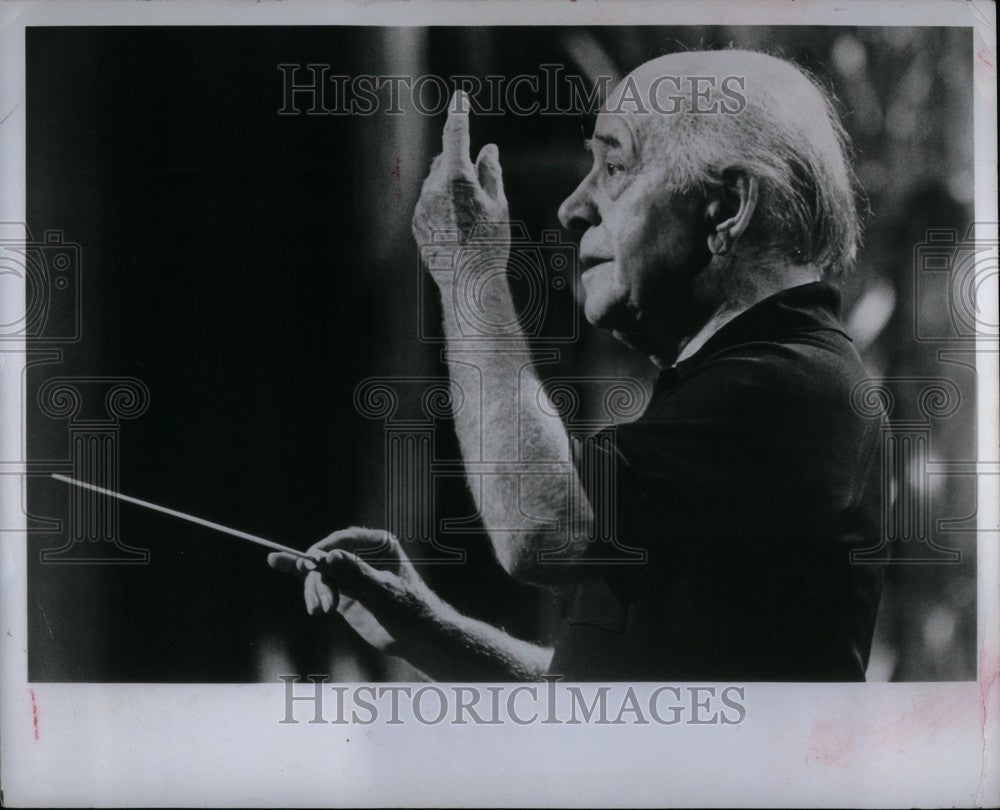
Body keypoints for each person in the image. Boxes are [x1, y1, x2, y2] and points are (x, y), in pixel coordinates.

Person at [269, 49, 884, 682]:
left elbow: (538, 528)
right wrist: (423, 625)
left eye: (614, 166)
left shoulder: (788, 388)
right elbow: (608, 695)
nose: (574, 206)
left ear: (727, 207)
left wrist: (472, 272)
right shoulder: (755, 380)